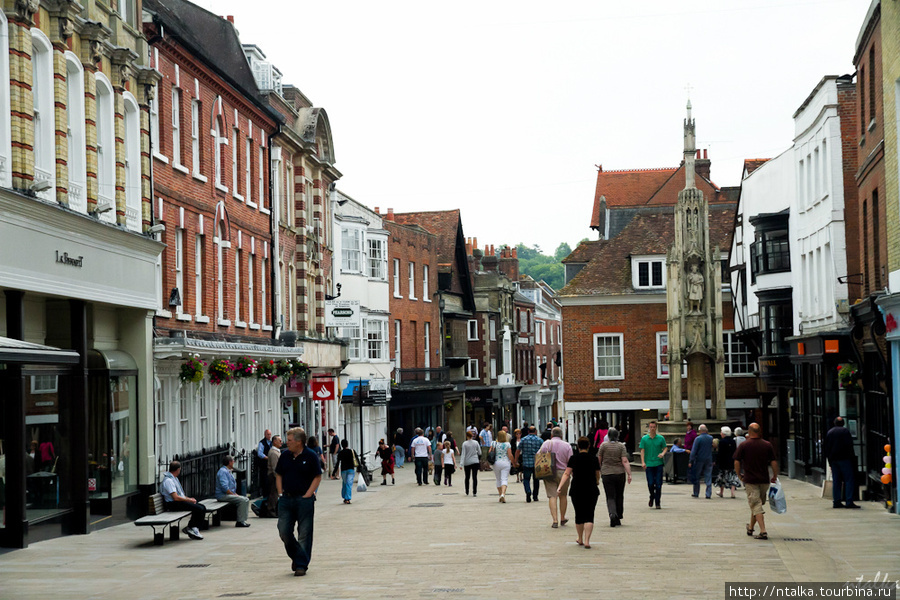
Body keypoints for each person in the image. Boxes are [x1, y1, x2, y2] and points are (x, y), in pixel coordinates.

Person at [275, 427, 322, 576]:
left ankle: (301, 564)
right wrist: (280, 493)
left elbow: (317, 476)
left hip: (304, 499)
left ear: (299, 442)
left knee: (305, 532)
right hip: (286, 498)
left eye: (289, 440)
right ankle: (298, 555)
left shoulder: (311, 456)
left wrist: (308, 494)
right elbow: (279, 474)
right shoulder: (285, 456)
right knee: (284, 531)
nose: (286, 443)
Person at [733, 423, 778, 540]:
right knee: (757, 504)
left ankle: (763, 531)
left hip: (750, 480)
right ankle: (751, 527)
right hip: (764, 480)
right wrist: (775, 475)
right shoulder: (767, 445)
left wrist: (738, 474)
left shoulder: (744, 445)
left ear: (749, 431)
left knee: (756, 505)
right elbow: (773, 461)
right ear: (759, 431)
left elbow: (736, 461)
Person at [557, 437, 600, 548]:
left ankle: (580, 538)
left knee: (579, 514)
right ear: (589, 446)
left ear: (578, 446)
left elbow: (567, 473)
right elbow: (597, 473)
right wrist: (597, 481)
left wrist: (560, 486)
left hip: (577, 489)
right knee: (589, 514)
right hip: (591, 489)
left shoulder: (573, 458)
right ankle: (587, 541)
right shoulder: (593, 458)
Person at [160, 460, 207, 540]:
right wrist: (189, 500)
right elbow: (175, 497)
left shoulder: (174, 478)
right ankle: (192, 528)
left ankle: (193, 527)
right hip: (173, 504)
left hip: (177, 502)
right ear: (178, 470)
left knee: (202, 507)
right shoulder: (169, 481)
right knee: (199, 509)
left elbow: (180, 495)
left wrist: (189, 499)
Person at [538, 426, 573, 527]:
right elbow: (570, 460)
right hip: (563, 473)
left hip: (548, 471)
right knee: (563, 496)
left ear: (551, 435)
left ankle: (555, 520)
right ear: (561, 435)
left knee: (552, 496)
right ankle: (562, 517)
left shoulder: (546, 443)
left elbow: (539, 455)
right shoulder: (567, 445)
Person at [598, 428, 632, 527]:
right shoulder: (621, 446)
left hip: (607, 473)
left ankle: (612, 513)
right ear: (617, 436)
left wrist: (600, 469)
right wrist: (629, 473)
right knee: (619, 494)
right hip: (619, 473)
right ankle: (619, 515)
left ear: (608, 436)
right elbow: (624, 461)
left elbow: (599, 459)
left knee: (610, 496)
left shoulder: (603, 446)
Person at [825, 417, 860, 509]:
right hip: (845, 459)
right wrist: (852, 458)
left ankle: (836, 501)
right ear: (843, 423)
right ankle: (849, 501)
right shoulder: (845, 432)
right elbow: (849, 446)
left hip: (834, 460)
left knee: (836, 481)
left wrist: (829, 461)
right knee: (848, 480)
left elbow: (827, 448)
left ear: (834, 423)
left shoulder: (830, 432)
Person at [216, 455, 251, 527]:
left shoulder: (227, 471)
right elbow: (224, 487)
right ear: (229, 462)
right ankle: (240, 521)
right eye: (233, 461)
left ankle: (243, 519)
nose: (234, 462)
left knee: (246, 499)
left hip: (228, 494)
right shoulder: (223, 472)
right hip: (223, 495)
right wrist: (233, 494)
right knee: (242, 500)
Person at [639, 420, 667, 509]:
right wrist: (643, 462)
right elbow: (642, 451)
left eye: (654, 427)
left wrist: (662, 454)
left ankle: (658, 502)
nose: (652, 429)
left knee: (658, 484)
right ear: (649, 428)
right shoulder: (644, 439)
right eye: (651, 427)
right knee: (651, 483)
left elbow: (665, 448)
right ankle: (652, 496)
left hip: (658, 463)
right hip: (649, 464)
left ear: (656, 428)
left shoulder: (660, 438)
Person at [515, 425, 543, 503]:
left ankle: (528, 491)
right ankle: (535, 496)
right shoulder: (539, 440)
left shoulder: (523, 440)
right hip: (537, 463)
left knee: (526, 479)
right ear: (535, 431)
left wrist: (515, 461)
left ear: (528, 431)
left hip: (526, 462)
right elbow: (544, 451)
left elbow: (518, 451)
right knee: (536, 480)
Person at [689, 424, 714, 499]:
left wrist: (691, 460)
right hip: (709, 458)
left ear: (700, 431)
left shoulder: (698, 439)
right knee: (708, 475)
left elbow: (694, 451)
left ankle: (696, 492)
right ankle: (708, 493)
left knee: (697, 476)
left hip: (699, 459)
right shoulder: (710, 438)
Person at [715, 426, 740, 499]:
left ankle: (721, 492)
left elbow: (720, 453)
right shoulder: (733, 441)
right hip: (732, 461)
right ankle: (732, 492)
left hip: (723, 462)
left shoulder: (722, 442)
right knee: (732, 476)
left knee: (722, 477)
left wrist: (717, 461)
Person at [491, 430, 515, 502]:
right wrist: (514, 463)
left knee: (498, 479)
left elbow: (490, 452)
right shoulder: (507, 444)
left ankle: (500, 494)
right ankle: (503, 494)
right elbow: (510, 455)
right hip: (505, 462)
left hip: (496, 463)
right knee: (504, 479)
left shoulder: (494, 443)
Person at [263, 435, 283, 517]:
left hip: (275, 475)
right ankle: (271, 511)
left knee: (275, 493)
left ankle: (274, 509)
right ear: (274, 441)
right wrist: (278, 477)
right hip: (273, 476)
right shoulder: (274, 453)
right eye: (279, 440)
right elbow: (275, 467)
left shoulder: (277, 451)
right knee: (273, 493)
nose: (281, 442)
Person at [460, 431, 481, 497]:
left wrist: (461, 464)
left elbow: (463, 454)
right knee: (474, 477)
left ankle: (467, 490)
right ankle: (474, 491)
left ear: (466, 436)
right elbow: (479, 452)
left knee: (467, 477)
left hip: (467, 462)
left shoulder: (464, 444)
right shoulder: (476, 442)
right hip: (475, 461)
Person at [337, 439, 356, 504]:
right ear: (347, 444)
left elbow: (337, 463)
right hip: (351, 469)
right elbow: (357, 459)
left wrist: (334, 472)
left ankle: (344, 496)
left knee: (345, 483)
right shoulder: (351, 451)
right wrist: (359, 468)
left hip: (343, 470)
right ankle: (347, 498)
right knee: (349, 484)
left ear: (341, 445)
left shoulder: (340, 453)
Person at [257, 429, 273, 496]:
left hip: (271, 464)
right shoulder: (262, 443)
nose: (269, 436)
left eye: (270, 434)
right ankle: (265, 494)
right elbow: (260, 453)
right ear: (265, 435)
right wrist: (267, 458)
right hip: (264, 464)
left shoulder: (272, 443)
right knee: (264, 479)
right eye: (268, 434)